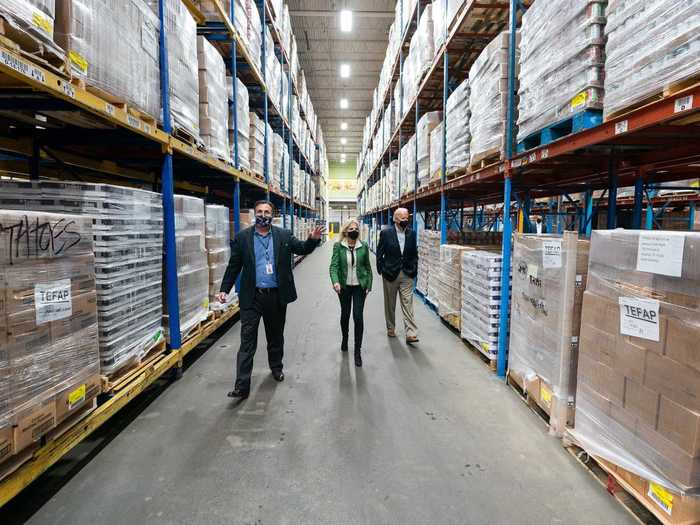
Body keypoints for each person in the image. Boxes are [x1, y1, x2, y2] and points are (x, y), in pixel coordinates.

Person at [216, 200, 323, 399]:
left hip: (275, 296)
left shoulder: (283, 235)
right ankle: (242, 386)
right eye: (259, 211)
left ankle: (276, 368)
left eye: (267, 212)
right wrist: (224, 289)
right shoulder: (243, 238)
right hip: (252, 297)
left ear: (272, 215)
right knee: (247, 341)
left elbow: (301, 248)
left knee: (275, 337)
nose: (263, 215)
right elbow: (234, 266)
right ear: (254, 213)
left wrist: (312, 240)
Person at [329, 219, 372, 367]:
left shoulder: (364, 246)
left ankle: (357, 352)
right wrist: (335, 281)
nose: (354, 231)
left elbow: (368, 267)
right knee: (345, 314)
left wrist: (369, 285)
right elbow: (333, 266)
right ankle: (345, 338)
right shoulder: (338, 246)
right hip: (344, 287)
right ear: (346, 231)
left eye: (356, 228)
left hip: (360, 286)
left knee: (358, 316)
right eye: (351, 228)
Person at [376, 208, 419, 344]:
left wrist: (414, 269)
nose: (405, 220)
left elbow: (414, 253)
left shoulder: (411, 233)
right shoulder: (386, 233)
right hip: (390, 273)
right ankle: (391, 327)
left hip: (407, 273)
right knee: (390, 303)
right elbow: (379, 253)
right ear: (395, 219)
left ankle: (411, 333)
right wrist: (382, 269)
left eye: (407, 218)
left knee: (408, 303)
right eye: (402, 218)